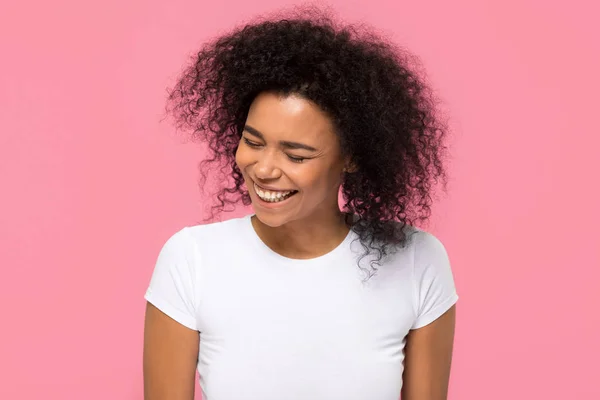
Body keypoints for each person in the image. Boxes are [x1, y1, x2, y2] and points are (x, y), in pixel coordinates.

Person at [143, 7, 458, 400]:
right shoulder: (192, 259)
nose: (264, 169)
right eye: (253, 142)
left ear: (352, 157)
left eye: (296, 155)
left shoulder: (417, 260)